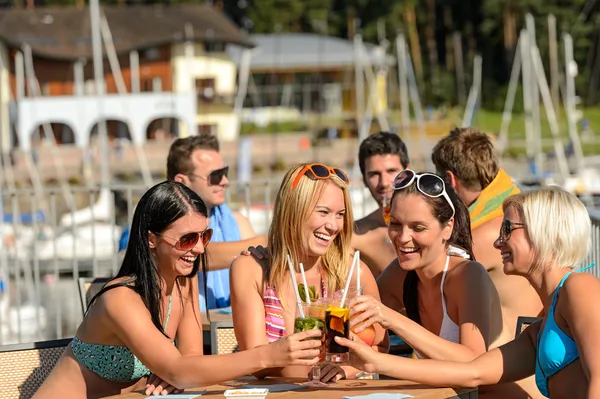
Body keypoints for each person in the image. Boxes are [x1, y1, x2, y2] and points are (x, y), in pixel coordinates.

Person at [34, 181, 321, 399]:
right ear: (150, 239)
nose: (198, 248)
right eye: (186, 239)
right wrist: (270, 355)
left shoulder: (184, 281)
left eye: (204, 235)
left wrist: (176, 373)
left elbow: (189, 361)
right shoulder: (119, 299)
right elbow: (180, 370)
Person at [338, 187, 598, 399]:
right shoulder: (539, 331)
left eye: (507, 229)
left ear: (545, 232)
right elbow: (472, 373)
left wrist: (389, 321)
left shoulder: (579, 287)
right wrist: (373, 363)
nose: (497, 242)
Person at [365, 169, 534, 398]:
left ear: (448, 228)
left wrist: (391, 319)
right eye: (395, 224)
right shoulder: (400, 273)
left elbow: (472, 362)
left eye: (418, 227)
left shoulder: (467, 275)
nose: (403, 237)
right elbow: (365, 327)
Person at [230, 163, 388, 383]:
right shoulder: (252, 270)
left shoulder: (352, 273)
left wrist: (345, 370)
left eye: (340, 214)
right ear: (293, 210)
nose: (333, 226)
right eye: (323, 212)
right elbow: (258, 367)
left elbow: (380, 345)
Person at [119, 134, 267, 310]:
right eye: (215, 176)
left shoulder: (237, 221)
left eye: (225, 173)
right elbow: (193, 254)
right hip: (180, 321)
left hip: (227, 326)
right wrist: (265, 243)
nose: (225, 182)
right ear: (182, 181)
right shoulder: (153, 220)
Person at [430, 128, 543, 345]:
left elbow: (426, 288)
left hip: (505, 362)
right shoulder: (515, 208)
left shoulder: (485, 233)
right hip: (528, 348)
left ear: (450, 179)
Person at [353, 132, 410, 278]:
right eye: (374, 174)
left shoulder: (436, 223)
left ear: (408, 172)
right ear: (364, 180)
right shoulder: (356, 235)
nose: (384, 183)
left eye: (391, 171)